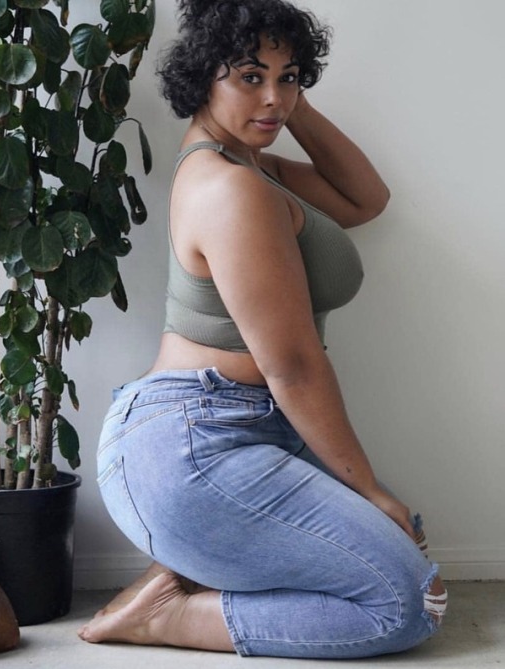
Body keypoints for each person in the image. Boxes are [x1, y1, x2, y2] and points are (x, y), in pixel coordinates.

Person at [78, 0, 447, 659]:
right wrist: (367, 485)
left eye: (290, 76)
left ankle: (191, 573)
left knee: (411, 550)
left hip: (243, 428)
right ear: (203, 77)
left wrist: (281, 98)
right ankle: (167, 615)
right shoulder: (230, 188)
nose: (274, 97)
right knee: (409, 603)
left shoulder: (253, 164)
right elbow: (293, 365)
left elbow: (366, 199)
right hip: (196, 443)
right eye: (250, 76)